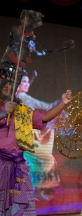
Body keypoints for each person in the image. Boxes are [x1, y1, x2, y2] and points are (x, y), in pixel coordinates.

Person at [0, 81, 71, 216]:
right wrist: (3, 112)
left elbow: (45, 117)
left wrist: (63, 102)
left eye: (10, 84)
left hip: (19, 167)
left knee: (26, 211)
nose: (8, 87)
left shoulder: (21, 111)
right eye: (4, 83)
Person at [16, 71, 61, 200]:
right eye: (23, 82)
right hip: (23, 135)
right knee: (45, 160)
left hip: (24, 133)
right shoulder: (24, 98)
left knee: (31, 162)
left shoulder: (16, 97)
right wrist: (60, 104)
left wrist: (32, 78)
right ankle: (35, 189)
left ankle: (33, 190)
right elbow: (46, 106)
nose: (26, 84)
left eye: (27, 82)